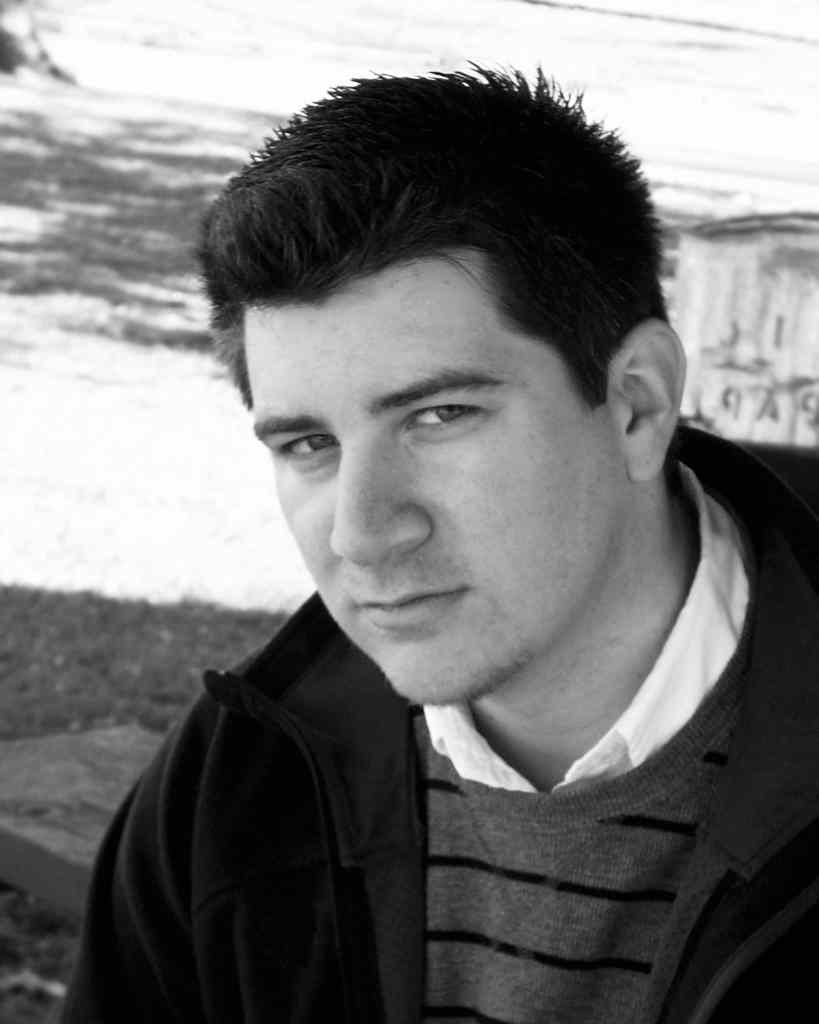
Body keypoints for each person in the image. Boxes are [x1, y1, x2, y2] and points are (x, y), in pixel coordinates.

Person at [59, 67, 819, 1023]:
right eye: (308, 444)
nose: (363, 533)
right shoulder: (237, 785)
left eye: (438, 415)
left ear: (636, 403)